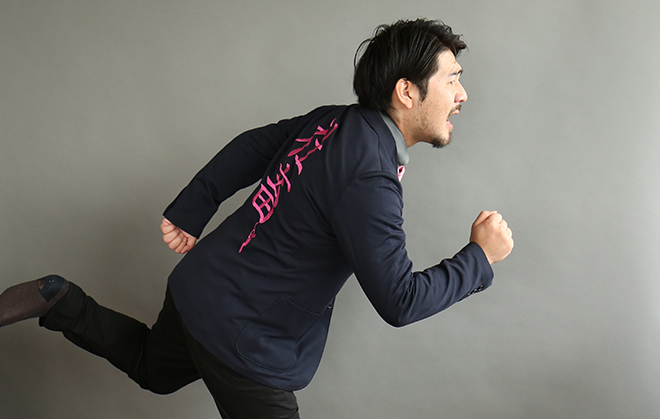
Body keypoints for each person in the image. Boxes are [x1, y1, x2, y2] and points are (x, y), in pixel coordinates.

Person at [0, 18, 513, 419]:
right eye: (452, 80)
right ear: (407, 91)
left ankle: (59, 300)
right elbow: (400, 301)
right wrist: (479, 258)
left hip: (199, 287)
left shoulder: (335, 121)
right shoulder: (370, 176)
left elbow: (252, 146)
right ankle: (60, 302)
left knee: (152, 368)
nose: (462, 95)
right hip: (244, 336)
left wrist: (193, 208)